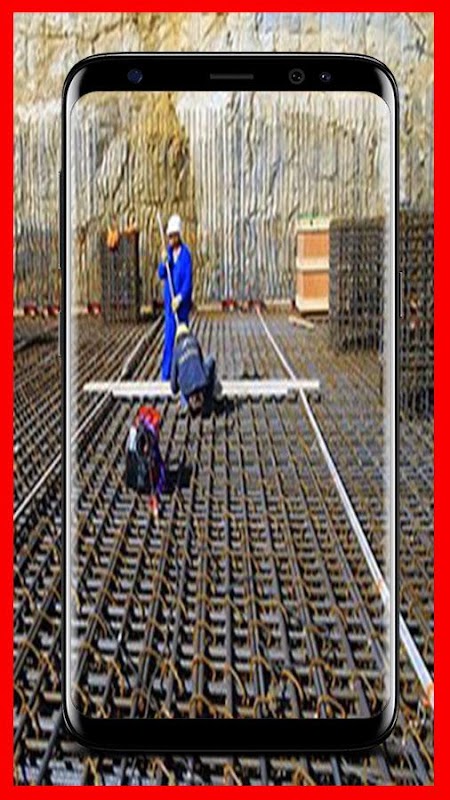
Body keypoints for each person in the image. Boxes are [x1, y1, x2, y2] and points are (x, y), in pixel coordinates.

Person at [157, 214, 193, 380]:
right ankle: (166, 375)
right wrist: (163, 262)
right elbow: (161, 274)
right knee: (169, 340)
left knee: (182, 341)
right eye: (169, 236)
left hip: (181, 308)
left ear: (179, 235)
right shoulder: (169, 254)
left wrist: (180, 298)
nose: (171, 239)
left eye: (173, 236)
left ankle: (182, 375)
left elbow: (187, 283)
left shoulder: (185, 256)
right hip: (170, 307)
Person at [170, 324, 219, 417]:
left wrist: (176, 388)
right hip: (202, 383)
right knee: (210, 360)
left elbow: (173, 385)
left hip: (186, 389)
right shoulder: (195, 342)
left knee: (183, 375)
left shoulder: (176, 351)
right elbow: (201, 363)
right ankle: (208, 402)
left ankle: (185, 403)